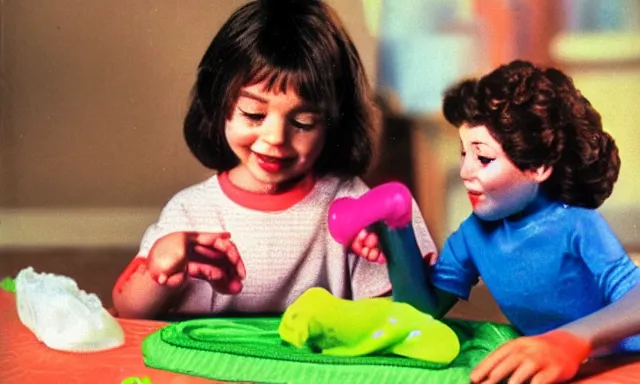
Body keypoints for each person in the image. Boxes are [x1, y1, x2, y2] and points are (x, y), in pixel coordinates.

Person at [111, 0, 437, 321]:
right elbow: (128, 309)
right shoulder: (191, 211)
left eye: (304, 122)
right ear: (218, 104)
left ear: (333, 123)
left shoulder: (350, 200)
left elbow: (406, 314)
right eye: (254, 114)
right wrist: (158, 265)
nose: (276, 138)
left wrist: (392, 249)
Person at [362, 59, 640, 384]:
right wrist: (396, 233)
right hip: (554, 369)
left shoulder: (575, 224)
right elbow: (421, 312)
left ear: (538, 167)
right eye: (463, 154)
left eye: (483, 158)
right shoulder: (472, 235)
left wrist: (571, 341)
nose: (465, 172)